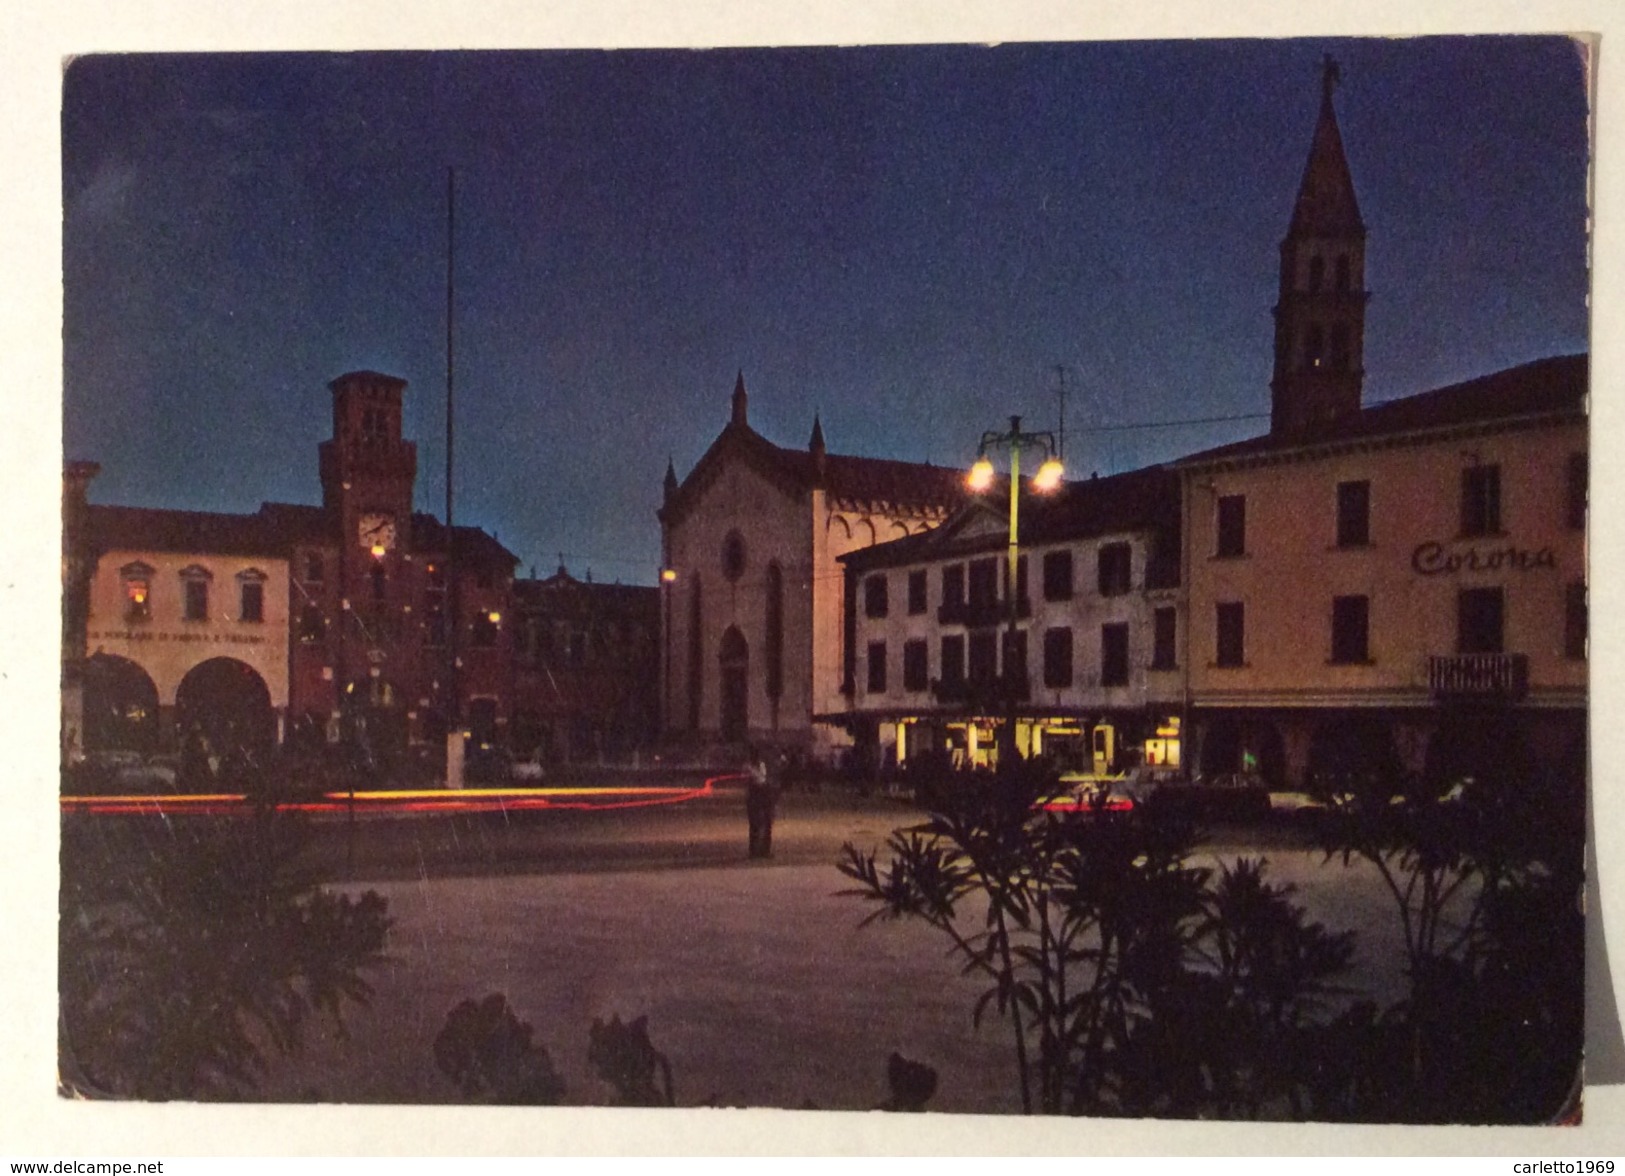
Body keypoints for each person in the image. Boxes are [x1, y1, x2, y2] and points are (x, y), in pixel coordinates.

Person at [745, 747, 776, 859]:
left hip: (764, 794)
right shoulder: (749, 767)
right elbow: (756, 779)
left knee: (767, 824)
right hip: (756, 795)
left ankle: (764, 850)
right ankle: (754, 851)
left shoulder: (762, 765)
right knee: (755, 825)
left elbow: (763, 779)